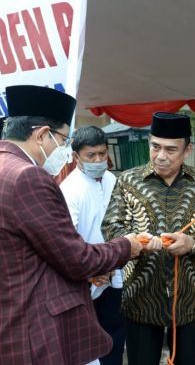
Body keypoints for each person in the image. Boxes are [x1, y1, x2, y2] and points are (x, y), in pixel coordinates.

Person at [0, 85, 150, 365]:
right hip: (36, 333)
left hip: (8, 330)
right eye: (64, 140)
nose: (64, 150)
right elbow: (77, 258)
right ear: (42, 134)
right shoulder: (27, 177)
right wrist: (128, 246)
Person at [102, 112, 195, 365]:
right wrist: (135, 242)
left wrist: (192, 243)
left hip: (189, 296)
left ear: (187, 150)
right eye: (155, 146)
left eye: (171, 150)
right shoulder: (129, 180)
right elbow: (111, 227)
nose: (160, 156)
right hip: (141, 296)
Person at [60, 126, 125, 365]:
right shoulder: (69, 189)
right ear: (76, 156)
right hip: (87, 279)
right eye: (91, 155)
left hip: (114, 274)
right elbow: (67, 240)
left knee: (115, 337)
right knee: (89, 345)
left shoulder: (112, 180)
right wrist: (89, 273)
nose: (98, 160)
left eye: (102, 153)